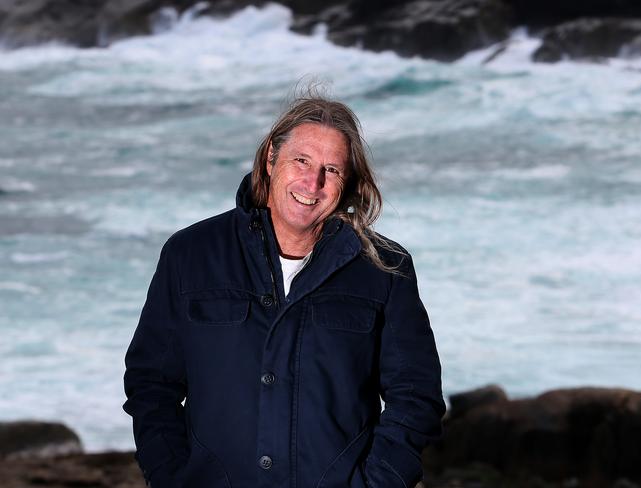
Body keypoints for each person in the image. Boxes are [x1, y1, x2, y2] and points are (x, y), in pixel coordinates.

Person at [123, 95, 445, 488]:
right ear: (271, 158)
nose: (313, 183)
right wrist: (172, 479)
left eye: (332, 170)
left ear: (348, 184)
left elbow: (416, 397)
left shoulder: (385, 268)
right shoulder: (190, 254)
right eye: (302, 161)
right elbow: (151, 385)